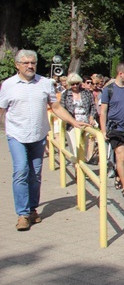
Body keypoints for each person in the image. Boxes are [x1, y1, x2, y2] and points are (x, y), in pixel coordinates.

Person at [0, 50, 84, 231]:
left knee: (35, 174)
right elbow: (1, 109)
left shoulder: (45, 83)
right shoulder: (8, 85)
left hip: (38, 135)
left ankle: (32, 210)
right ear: (17, 65)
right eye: (26, 63)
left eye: (33, 63)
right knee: (21, 170)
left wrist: (73, 121)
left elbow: (55, 106)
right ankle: (22, 214)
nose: (30, 66)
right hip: (16, 134)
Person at [100, 62, 124, 198]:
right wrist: (104, 131)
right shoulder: (108, 90)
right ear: (120, 74)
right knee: (120, 156)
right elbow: (103, 112)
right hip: (115, 128)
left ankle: (118, 175)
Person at [59, 72, 97, 161]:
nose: (75, 86)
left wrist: (91, 117)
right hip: (71, 124)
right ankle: (77, 170)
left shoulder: (87, 93)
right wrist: (69, 120)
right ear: (69, 84)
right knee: (74, 148)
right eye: (72, 84)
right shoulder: (65, 94)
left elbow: (93, 106)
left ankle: (81, 170)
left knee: (83, 148)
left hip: (85, 123)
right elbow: (62, 109)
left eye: (77, 83)